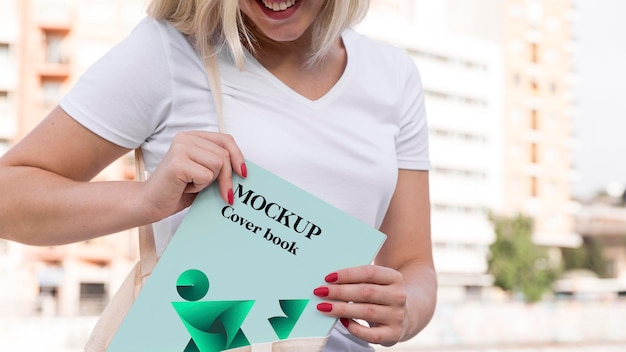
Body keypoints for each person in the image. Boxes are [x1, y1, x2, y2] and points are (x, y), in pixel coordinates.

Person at [0, 0, 437, 350]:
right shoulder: (167, 52)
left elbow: (413, 264)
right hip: (193, 339)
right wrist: (143, 200)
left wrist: (405, 311)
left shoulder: (393, 77)